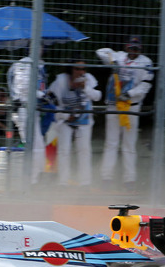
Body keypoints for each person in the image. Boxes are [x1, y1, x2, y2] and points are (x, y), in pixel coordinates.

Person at [96, 35, 154, 190]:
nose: (133, 51)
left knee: (129, 144)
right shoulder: (119, 56)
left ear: (140, 49)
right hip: (114, 105)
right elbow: (100, 51)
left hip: (131, 106)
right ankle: (106, 178)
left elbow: (145, 86)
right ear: (126, 46)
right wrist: (113, 61)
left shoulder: (146, 62)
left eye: (136, 48)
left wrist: (129, 94)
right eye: (131, 47)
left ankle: (129, 180)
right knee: (111, 142)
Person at [46, 57, 101, 187]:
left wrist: (86, 88)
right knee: (64, 150)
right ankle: (63, 182)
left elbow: (98, 96)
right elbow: (50, 101)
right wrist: (65, 116)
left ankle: (85, 183)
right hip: (65, 120)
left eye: (83, 68)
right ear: (71, 69)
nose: (81, 72)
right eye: (77, 69)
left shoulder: (89, 79)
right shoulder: (61, 81)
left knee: (84, 150)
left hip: (84, 120)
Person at [7, 47, 48, 184]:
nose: (42, 49)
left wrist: (44, 96)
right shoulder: (24, 64)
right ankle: (31, 181)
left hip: (32, 109)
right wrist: (42, 96)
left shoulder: (37, 64)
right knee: (34, 146)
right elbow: (23, 88)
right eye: (39, 46)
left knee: (38, 145)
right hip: (23, 109)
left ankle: (36, 178)